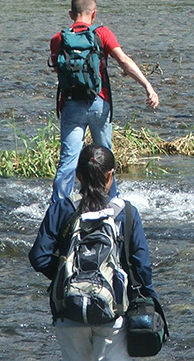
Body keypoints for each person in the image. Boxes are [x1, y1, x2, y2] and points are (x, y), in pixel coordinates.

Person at [30, 145, 160, 361]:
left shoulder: (62, 209)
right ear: (111, 175)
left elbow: (38, 257)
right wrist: (149, 300)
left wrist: (67, 276)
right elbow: (141, 266)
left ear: (78, 175)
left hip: (69, 313)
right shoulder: (126, 212)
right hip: (113, 313)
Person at [49, 0, 160, 203]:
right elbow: (123, 61)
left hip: (71, 104)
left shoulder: (58, 39)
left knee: (69, 159)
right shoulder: (102, 33)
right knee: (105, 157)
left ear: (71, 14)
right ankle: (111, 201)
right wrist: (148, 86)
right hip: (99, 103)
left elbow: (58, 70)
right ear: (94, 13)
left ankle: (59, 207)